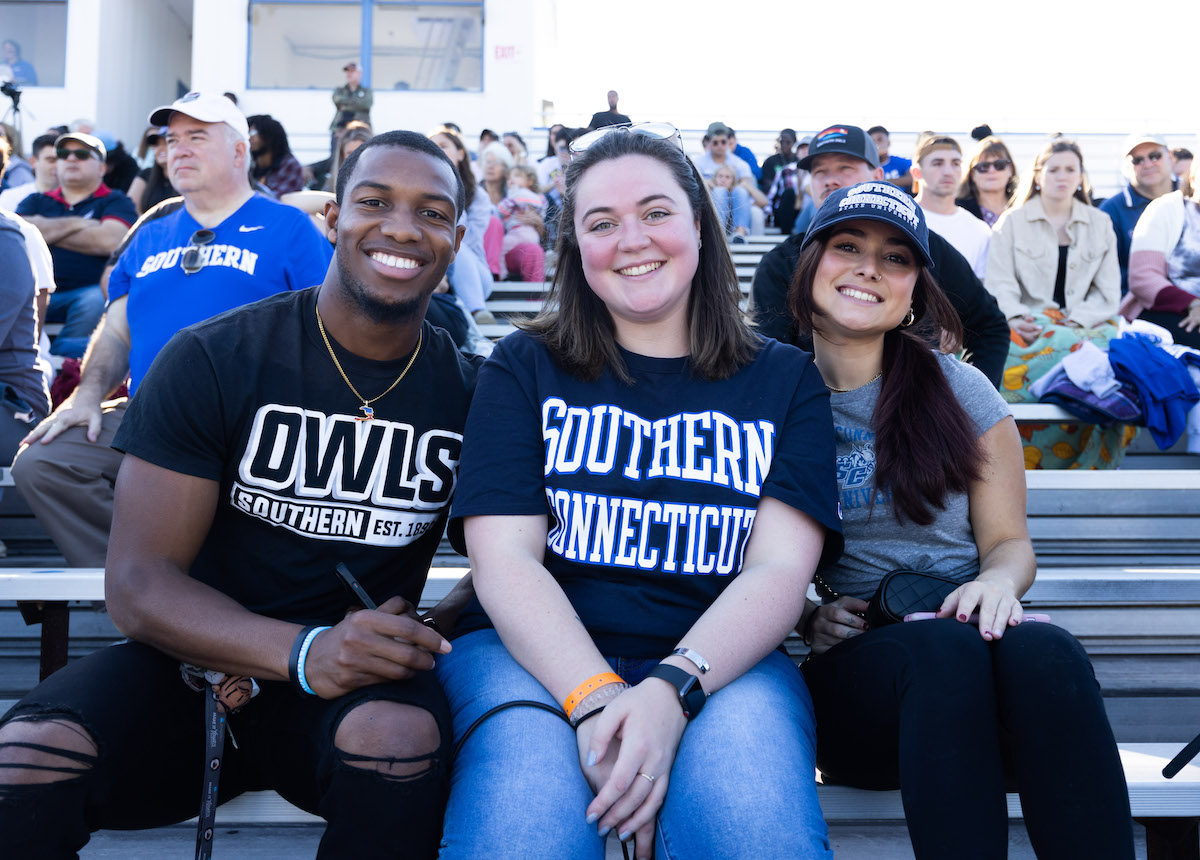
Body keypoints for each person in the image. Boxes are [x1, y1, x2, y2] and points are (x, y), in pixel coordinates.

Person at [0, 129, 481, 859]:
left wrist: (430, 627)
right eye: (374, 202)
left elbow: (524, 559)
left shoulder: (473, 390)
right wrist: (301, 650)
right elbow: (138, 583)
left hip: (356, 684)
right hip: (194, 663)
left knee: (397, 738)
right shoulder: (216, 355)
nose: (403, 228)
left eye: (433, 213)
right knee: (30, 755)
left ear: (456, 238)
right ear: (331, 218)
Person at [437, 124, 842, 860]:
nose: (632, 239)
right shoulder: (524, 366)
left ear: (699, 226)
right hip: (529, 656)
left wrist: (669, 692)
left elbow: (780, 570)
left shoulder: (784, 379)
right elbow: (506, 561)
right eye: (601, 223)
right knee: (527, 832)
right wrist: (596, 700)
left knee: (756, 831)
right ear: (576, 249)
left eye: (656, 212)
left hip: (723, 662)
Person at [790, 181, 1135, 859]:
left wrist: (998, 585)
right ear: (809, 267)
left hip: (980, 671)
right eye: (847, 246)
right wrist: (807, 614)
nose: (869, 268)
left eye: (895, 258)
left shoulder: (960, 389)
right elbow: (742, 557)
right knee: (943, 653)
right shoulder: (773, 393)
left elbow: (1009, 544)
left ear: (914, 287)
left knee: (1049, 648)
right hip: (864, 692)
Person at [10, 91, 333, 571]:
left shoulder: (288, 227)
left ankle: (181, 598)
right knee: (46, 463)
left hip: (249, 423)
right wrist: (86, 395)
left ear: (240, 151)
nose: (178, 149)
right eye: (172, 138)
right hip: (149, 414)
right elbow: (117, 329)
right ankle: (149, 590)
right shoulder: (151, 231)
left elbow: (329, 331)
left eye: (197, 137)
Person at [751, 123, 1010, 388]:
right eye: (820, 171)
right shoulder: (780, 262)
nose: (830, 179)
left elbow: (990, 327)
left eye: (845, 168)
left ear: (877, 175)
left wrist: (967, 409)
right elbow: (768, 359)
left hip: (917, 413)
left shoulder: (927, 248)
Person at [16, 131, 136, 358]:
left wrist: (44, 228)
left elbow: (110, 240)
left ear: (101, 168)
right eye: (63, 154)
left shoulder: (117, 200)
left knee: (95, 299)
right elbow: (20, 234)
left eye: (81, 154)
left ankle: (61, 356)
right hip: (33, 290)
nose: (71, 159)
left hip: (86, 293)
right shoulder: (36, 200)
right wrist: (80, 223)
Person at [986, 138, 1120, 342]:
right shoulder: (1011, 222)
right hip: (1028, 324)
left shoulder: (1100, 223)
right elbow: (999, 282)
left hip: (1086, 325)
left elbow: (1107, 290)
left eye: (1070, 170)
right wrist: (1016, 317)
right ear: (1038, 177)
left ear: (1080, 177)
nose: (1062, 177)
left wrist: (1080, 319)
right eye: (1054, 170)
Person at [1119, 157, 1200, 349]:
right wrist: (1194, 304)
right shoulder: (1167, 209)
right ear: (1194, 177)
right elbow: (1143, 278)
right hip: (1171, 310)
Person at [429, 125, 499, 323]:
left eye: (443, 146)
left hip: (475, 274)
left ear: (460, 153)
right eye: (432, 147)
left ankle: (477, 311)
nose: (437, 151)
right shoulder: (421, 193)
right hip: (436, 273)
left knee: (457, 245)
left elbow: (468, 239)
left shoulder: (478, 195)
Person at [1100, 134, 1178, 294]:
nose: (1148, 164)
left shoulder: (1191, 199)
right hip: (1141, 305)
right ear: (1126, 167)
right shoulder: (1111, 211)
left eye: (1155, 156)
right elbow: (1104, 272)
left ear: (1170, 156)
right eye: (1137, 160)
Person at [912, 133, 991, 279]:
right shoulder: (901, 220)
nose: (948, 172)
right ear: (917, 172)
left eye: (955, 163)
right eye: (937, 163)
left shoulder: (980, 230)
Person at [956, 135, 1018, 228]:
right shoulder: (957, 211)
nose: (992, 170)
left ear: (1010, 170)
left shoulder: (1025, 208)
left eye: (1000, 165)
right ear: (972, 174)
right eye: (984, 166)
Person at [247, 114, 305, 196]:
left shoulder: (289, 165)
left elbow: (280, 200)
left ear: (269, 135)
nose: (248, 137)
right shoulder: (248, 163)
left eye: (252, 132)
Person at [126, 125, 177, 214]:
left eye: (166, 143)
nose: (160, 149)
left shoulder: (187, 176)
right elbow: (130, 208)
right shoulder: (146, 174)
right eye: (157, 144)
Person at [330, 60, 372, 130]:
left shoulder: (366, 91)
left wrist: (345, 106)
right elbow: (337, 100)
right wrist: (357, 103)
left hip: (361, 128)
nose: (349, 74)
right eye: (347, 71)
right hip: (339, 128)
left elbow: (365, 104)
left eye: (352, 71)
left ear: (359, 74)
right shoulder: (339, 90)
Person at [868, 126, 912, 191]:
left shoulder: (901, 162)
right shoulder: (866, 165)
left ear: (888, 143)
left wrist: (880, 183)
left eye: (880, 140)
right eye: (872, 142)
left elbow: (913, 178)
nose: (876, 144)